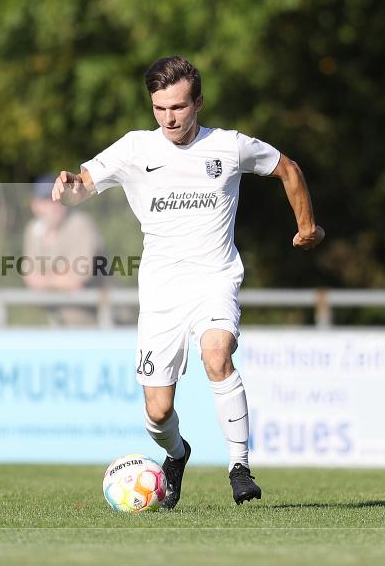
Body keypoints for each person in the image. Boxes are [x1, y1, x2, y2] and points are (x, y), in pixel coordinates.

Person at [51, 56, 324, 507]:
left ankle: (240, 468)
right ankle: (177, 454)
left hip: (215, 278)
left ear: (198, 102)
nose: (169, 118)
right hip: (161, 291)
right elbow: (83, 185)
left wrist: (307, 226)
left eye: (178, 106)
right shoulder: (135, 149)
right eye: (159, 108)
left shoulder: (229, 146)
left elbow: (288, 168)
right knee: (158, 411)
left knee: (217, 356)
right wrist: (67, 189)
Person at [23, 176, 102, 326]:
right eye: (47, 199)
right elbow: (31, 279)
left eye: (59, 197)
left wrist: (45, 280)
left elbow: (76, 280)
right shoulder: (33, 229)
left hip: (100, 320)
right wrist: (60, 277)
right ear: (35, 205)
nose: (54, 204)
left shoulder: (81, 224)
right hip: (54, 319)